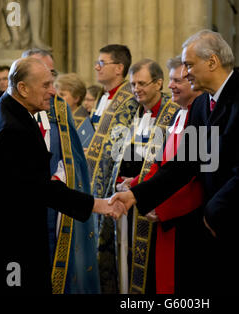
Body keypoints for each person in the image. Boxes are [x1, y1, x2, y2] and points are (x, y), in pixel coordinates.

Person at [110, 30, 239, 294]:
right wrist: (137, 194)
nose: (187, 72)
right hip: (212, 225)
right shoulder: (202, 103)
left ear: (212, 62)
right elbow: (185, 164)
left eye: (190, 65)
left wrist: (212, 214)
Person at [0, 57, 125, 294]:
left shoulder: (4, 108)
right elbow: (39, 188)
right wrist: (98, 205)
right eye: (46, 85)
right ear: (23, 88)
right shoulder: (13, 128)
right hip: (12, 240)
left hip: (7, 232)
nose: (52, 91)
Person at [117, 55, 205, 293]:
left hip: (186, 218)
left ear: (194, 82)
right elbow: (160, 164)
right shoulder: (179, 114)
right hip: (165, 212)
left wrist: (163, 208)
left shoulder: (204, 117)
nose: (170, 86)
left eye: (177, 81)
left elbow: (199, 176)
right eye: (171, 80)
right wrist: (138, 188)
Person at [84, 44, 140, 294]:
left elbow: (126, 143)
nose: (96, 67)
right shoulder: (101, 97)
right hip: (91, 180)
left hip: (111, 184)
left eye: (101, 62)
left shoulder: (128, 98)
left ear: (119, 68)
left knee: (110, 252)